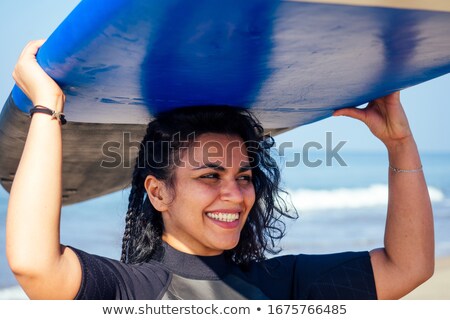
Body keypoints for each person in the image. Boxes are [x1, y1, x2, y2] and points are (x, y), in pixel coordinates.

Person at [6, 40, 434, 300]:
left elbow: (408, 266)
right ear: (158, 192)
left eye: (243, 177)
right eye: (210, 176)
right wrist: (47, 106)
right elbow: (33, 264)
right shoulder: (129, 291)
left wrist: (399, 143)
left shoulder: (284, 285)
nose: (235, 193)